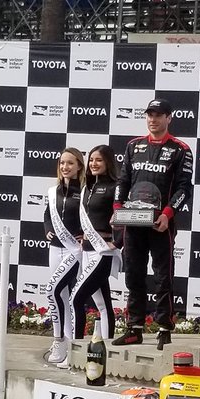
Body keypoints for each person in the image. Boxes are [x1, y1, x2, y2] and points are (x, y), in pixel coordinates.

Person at [113, 99, 193, 348]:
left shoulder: (181, 149)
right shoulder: (133, 146)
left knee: (162, 276)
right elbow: (122, 181)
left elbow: (183, 188)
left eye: (159, 115)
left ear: (169, 118)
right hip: (133, 223)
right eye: (149, 114)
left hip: (160, 224)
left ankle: (163, 327)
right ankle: (134, 327)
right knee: (133, 275)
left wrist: (168, 214)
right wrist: (117, 209)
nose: (153, 119)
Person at [66, 144, 121, 366]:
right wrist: (82, 235)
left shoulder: (115, 187)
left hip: (102, 253)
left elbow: (122, 217)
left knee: (76, 298)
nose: (93, 164)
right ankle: (106, 351)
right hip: (87, 249)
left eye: (98, 160)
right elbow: (86, 217)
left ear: (107, 162)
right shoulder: (87, 187)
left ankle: (77, 349)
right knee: (102, 303)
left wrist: (116, 242)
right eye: (91, 160)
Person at [44, 148, 85, 366]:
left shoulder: (85, 190)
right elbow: (47, 215)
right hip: (55, 247)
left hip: (74, 250)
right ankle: (63, 342)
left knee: (56, 290)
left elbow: (91, 216)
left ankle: (62, 341)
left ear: (79, 165)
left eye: (70, 163)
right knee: (61, 295)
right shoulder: (54, 191)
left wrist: (84, 234)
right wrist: (48, 228)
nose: (65, 167)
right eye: (62, 163)